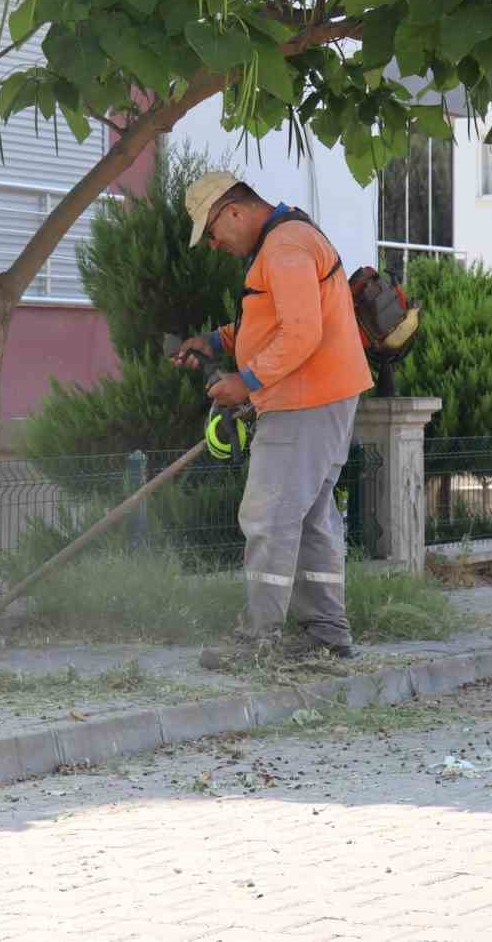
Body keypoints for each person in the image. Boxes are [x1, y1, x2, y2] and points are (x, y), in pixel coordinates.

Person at [171, 172, 374, 669]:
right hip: (323, 396)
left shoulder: (284, 249)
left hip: (302, 401)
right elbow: (275, 321)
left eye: (213, 233)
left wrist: (247, 381)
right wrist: (217, 342)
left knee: (269, 517)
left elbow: (301, 334)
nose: (215, 245)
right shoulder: (288, 240)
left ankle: (258, 640)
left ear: (233, 211)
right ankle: (326, 634)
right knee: (309, 520)